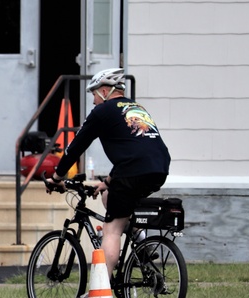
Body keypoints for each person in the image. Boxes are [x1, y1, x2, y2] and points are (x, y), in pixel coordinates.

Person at [46, 68, 170, 280]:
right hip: (159, 168)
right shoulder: (136, 107)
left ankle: (99, 289)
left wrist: (57, 178)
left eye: (94, 94)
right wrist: (108, 182)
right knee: (108, 196)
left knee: (111, 230)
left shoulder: (102, 112)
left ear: (104, 90)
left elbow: (75, 147)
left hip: (133, 171)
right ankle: (139, 238)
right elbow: (134, 149)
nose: (93, 101)